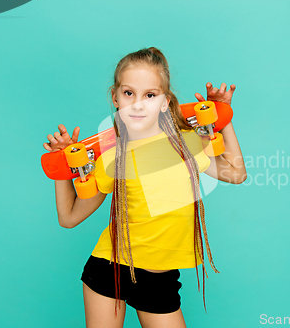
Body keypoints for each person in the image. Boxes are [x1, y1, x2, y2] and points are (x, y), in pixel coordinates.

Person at [43, 47, 247, 328]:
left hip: (159, 280)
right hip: (110, 270)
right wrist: (64, 165)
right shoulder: (110, 159)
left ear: (165, 102)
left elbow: (236, 173)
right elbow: (68, 218)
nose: (138, 104)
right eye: (129, 93)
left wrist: (222, 118)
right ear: (115, 97)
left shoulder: (188, 143)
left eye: (150, 95)